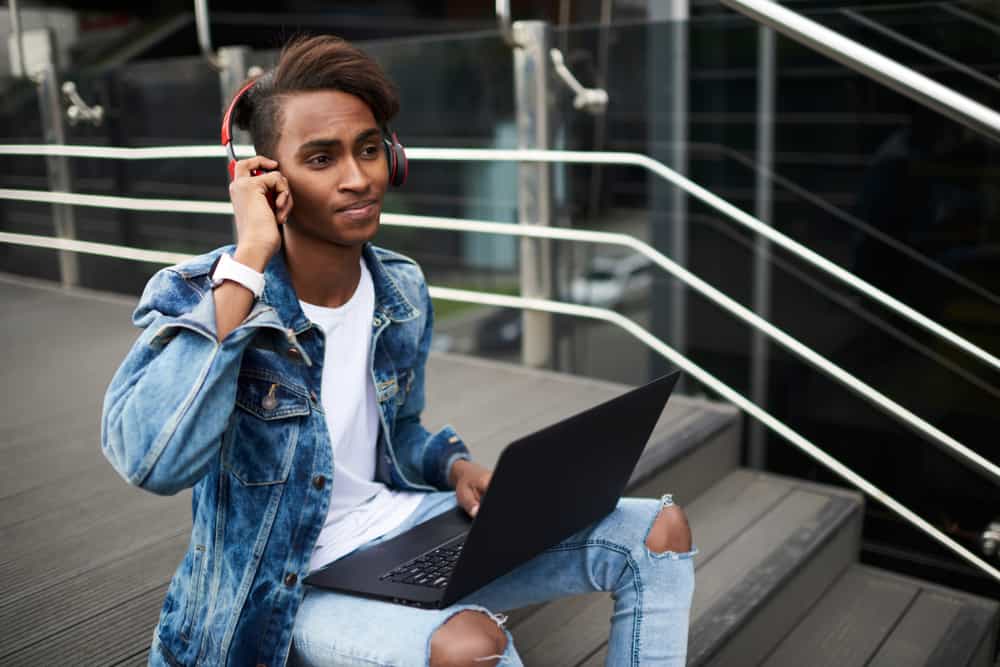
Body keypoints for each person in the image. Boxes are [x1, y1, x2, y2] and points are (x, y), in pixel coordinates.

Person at [101, 35, 695, 667]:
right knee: (473, 646)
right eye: (322, 159)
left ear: (395, 158)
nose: (358, 179)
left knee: (657, 533)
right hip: (286, 588)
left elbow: (397, 431)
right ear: (263, 180)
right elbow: (152, 459)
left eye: (368, 150)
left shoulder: (400, 287)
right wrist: (248, 262)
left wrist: (456, 469)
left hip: (405, 528)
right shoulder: (202, 296)